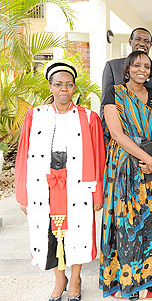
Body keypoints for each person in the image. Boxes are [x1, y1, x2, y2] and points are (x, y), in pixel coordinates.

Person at [15, 59, 105, 301]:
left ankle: (75, 280)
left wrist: (98, 193)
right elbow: (23, 155)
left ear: (75, 88)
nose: (63, 89)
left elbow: (98, 157)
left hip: (77, 184)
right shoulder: (35, 116)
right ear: (50, 87)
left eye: (68, 85)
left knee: (78, 231)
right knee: (52, 232)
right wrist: (22, 195)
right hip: (45, 185)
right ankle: (59, 280)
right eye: (58, 85)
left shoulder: (88, 118)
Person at [99, 51, 152, 300]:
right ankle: (126, 278)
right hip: (124, 169)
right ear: (127, 68)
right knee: (127, 224)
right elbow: (117, 134)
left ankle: (150, 274)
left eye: (147, 66)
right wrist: (148, 159)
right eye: (137, 65)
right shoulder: (115, 93)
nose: (142, 69)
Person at [102, 27, 152, 134]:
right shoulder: (112, 66)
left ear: (150, 45)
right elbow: (104, 106)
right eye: (138, 39)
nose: (142, 44)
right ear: (130, 41)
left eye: (146, 41)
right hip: (121, 136)